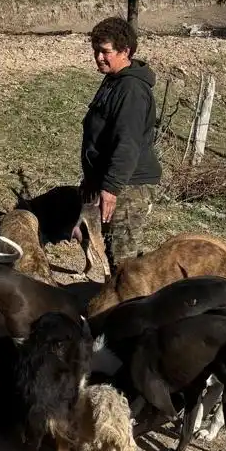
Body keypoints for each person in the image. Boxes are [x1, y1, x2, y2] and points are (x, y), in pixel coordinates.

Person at [80, 16, 162, 270]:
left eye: (105, 52)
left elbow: (127, 143)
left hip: (130, 184)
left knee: (123, 260)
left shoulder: (132, 90)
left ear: (125, 51)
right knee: (119, 250)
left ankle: (131, 306)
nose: (98, 58)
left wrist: (111, 188)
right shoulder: (114, 80)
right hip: (116, 181)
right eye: (95, 51)